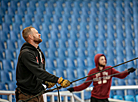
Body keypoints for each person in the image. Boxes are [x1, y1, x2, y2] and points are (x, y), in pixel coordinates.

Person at [15, 27, 71, 102]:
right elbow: (38, 72)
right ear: (30, 37)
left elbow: (40, 72)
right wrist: (58, 80)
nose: (39, 34)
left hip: (38, 94)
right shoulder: (26, 53)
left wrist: (45, 81)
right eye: (36, 33)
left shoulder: (39, 52)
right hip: (26, 96)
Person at [67, 54, 136, 102]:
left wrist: (127, 71)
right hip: (95, 98)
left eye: (105, 59)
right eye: (102, 59)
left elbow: (120, 75)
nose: (104, 60)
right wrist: (74, 89)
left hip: (104, 98)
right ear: (97, 61)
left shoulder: (110, 69)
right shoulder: (92, 72)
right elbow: (85, 85)